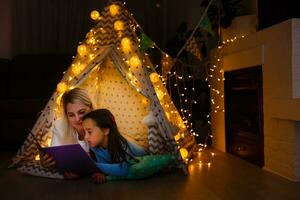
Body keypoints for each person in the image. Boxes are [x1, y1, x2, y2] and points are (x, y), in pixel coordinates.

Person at [40, 87, 94, 177]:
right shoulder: (60, 125)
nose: (77, 119)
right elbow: (56, 156)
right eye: (71, 115)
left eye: (81, 112)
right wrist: (47, 162)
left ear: (91, 108)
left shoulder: (101, 124)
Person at [82, 109, 145, 184]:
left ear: (105, 131)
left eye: (89, 132)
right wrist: (101, 174)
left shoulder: (120, 144)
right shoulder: (95, 147)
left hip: (144, 156)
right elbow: (104, 166)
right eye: (84, 132)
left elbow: (124, 170)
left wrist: (93, 164)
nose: (85, 137)